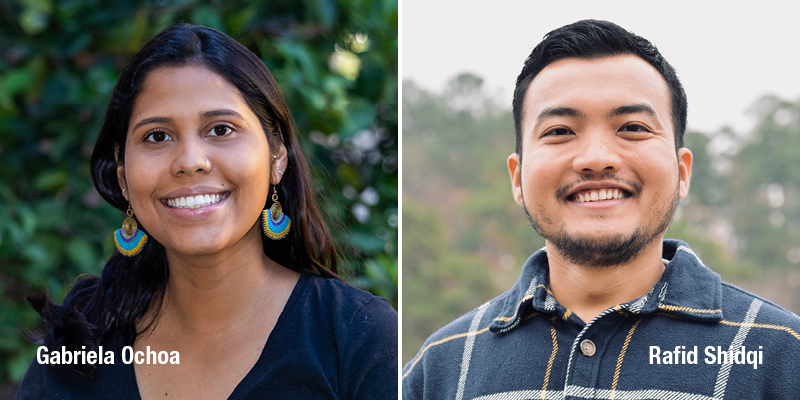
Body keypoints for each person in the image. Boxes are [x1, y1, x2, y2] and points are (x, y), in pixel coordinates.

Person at [402, 19, 800, 399]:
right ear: (517, 177)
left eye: (632, 128)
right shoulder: (439, 367)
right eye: (559, 132)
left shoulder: (781, 354)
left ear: (682, 172)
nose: (596, 158)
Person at [15, 24, 397, 400]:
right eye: (157, 136)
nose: (191, 161)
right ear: (123, 174)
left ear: (276, 156)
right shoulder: (78, 346)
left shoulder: (357, 340)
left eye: (221, 129)